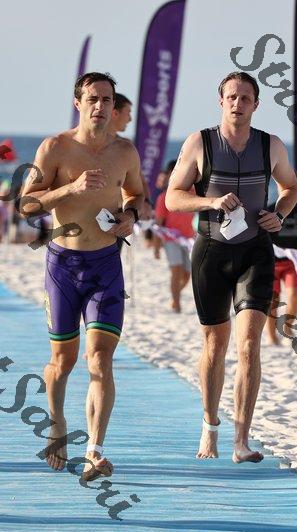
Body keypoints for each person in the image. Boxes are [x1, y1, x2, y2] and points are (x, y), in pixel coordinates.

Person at [166, 71, 297, 462]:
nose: (237, 103)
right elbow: (173, 198)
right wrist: (209, 202)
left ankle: (242, 441)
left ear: (256, 104)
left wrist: (279, 213)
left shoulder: (271, 145)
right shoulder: (200, 143)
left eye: (245, 98)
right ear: (220, 101)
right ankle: (210, 427)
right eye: (231, 97)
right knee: (214, 344)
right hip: (211, 253)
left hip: (255, 252)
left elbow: (291, 187)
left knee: (249, 344)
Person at [21, 72, 144, 480]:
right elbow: (26, 205)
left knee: (101, 358)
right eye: (92, 98)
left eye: (107, 100)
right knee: (63, 361)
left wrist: (130, 216)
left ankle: (95, 450)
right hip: (63, 267)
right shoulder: (55, 148)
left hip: (106, 265)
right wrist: (69, 190)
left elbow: (138, 194)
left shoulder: (125, 152)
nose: (100, 106)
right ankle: (57, 425)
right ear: (78, 103)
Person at [266, 170, 297, 344]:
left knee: (295, 296)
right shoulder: (270, 209)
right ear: (278, 187)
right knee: (272, 301)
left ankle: (287, 326)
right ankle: (272, 336)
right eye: (282, 186)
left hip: (293, 263)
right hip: (271, 263)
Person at [154, 160, 194, 312]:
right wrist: (156, 247)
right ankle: (176, 303)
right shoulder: (163, 197)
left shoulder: (193, 193)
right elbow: (158, 224)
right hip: (171, 239)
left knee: (187, 275)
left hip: (189, 239)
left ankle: (174, 293)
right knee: (176, 271)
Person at [109, 92, 152, 221]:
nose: (130, 119)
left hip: (123, 216)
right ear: (115, 113)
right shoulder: (91, 146)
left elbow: (140, 179)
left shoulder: (125, 146)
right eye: (128, 113)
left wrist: (147, 203)